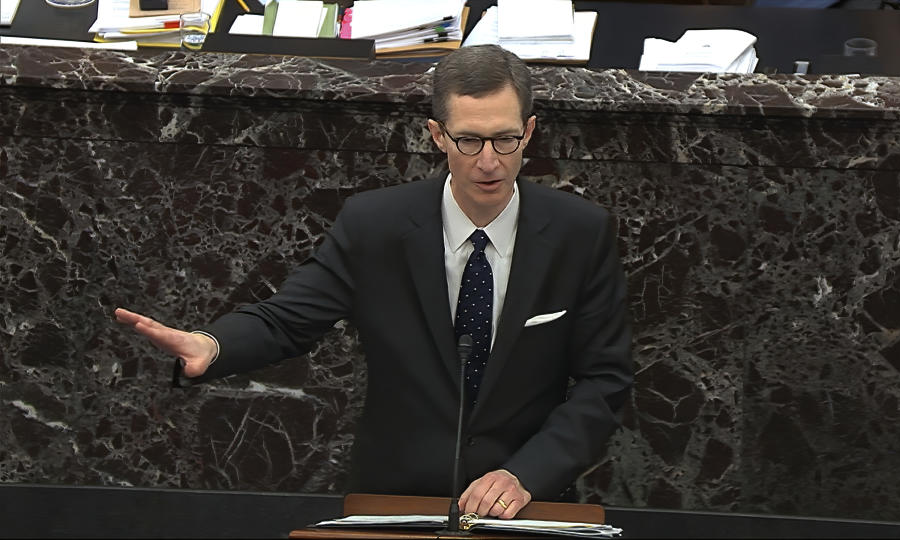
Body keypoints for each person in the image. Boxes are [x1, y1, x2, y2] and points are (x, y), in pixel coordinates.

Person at [115, 44, 632, 520]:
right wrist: (213, 344)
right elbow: (289, 317)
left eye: (505, 138)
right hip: (394, 494)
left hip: (523, 499)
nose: (490, 161)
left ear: (530, 131)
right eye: (469, 140)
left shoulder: (579, 233)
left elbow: (604, 379)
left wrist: (527, 474)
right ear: (437, 135)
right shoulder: (376, 225)